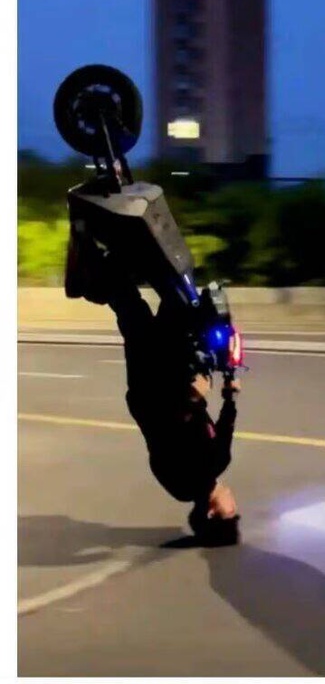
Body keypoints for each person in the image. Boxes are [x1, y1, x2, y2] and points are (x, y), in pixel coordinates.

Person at [67, 228, 241, 544]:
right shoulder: (218, 462)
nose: (236, 506)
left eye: (233, 514)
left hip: (151, 389)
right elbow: (225, 425)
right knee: (180, 305)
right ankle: (119, 250)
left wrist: (191, 400)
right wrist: (231, 387)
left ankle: (90, 263)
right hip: (174, 377)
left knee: (134, 311)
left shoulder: (183, 485)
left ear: (213, 513)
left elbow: (162, 440)